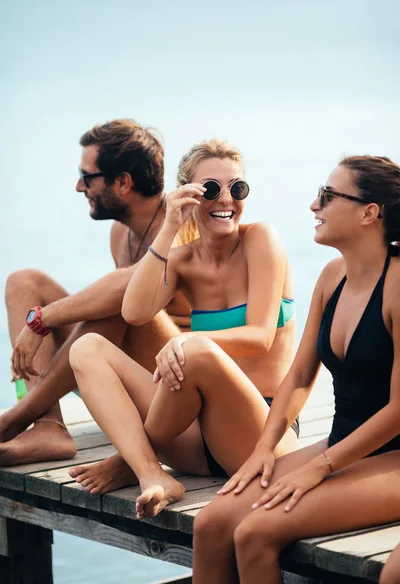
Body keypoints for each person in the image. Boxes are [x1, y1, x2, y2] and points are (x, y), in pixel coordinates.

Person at [191, 155, 400, 584]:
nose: (313, 206)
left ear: (369, 213)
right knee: (210, 525)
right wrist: (264, 450)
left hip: (393, 458)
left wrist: (319, 466)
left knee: (254, 533)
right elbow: (302, 375)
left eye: (327, 196)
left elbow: (398, 410)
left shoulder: (398, 288)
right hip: (343, 442)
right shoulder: (331, 276)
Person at [67, 139, 298, 517]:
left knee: (195, 351)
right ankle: (149, 473)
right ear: (187, 193)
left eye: (237, 188)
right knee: (87, 348)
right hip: (192, 437)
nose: (225, 199)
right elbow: (134, 312)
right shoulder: (183, 259)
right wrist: (170, 226)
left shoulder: (260, 239)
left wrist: (190, 339)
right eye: (210, 189)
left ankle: (127, 462)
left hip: (261, 433)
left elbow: (260, 337)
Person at [1, 118, 190, 467]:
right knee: (23, 281)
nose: (78, 187)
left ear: (123, 182)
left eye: (87, 178)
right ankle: (48, 425)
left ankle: (14, 419)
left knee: (125, 303)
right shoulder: (121, 233)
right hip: (123, 368)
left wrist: (40, 322)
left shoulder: (181, 226)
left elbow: (126, 293)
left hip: (176, 388)